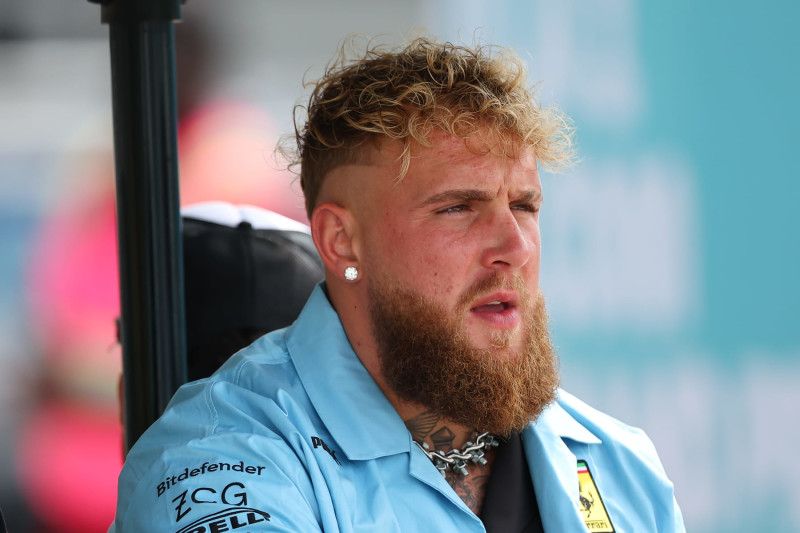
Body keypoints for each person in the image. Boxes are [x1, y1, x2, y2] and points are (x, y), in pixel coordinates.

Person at [110, 38, 685, 532]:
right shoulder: (220, 460)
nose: (515, 247)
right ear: (342, 241)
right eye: (458, 207)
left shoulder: (619, 463)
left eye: (525, 206)